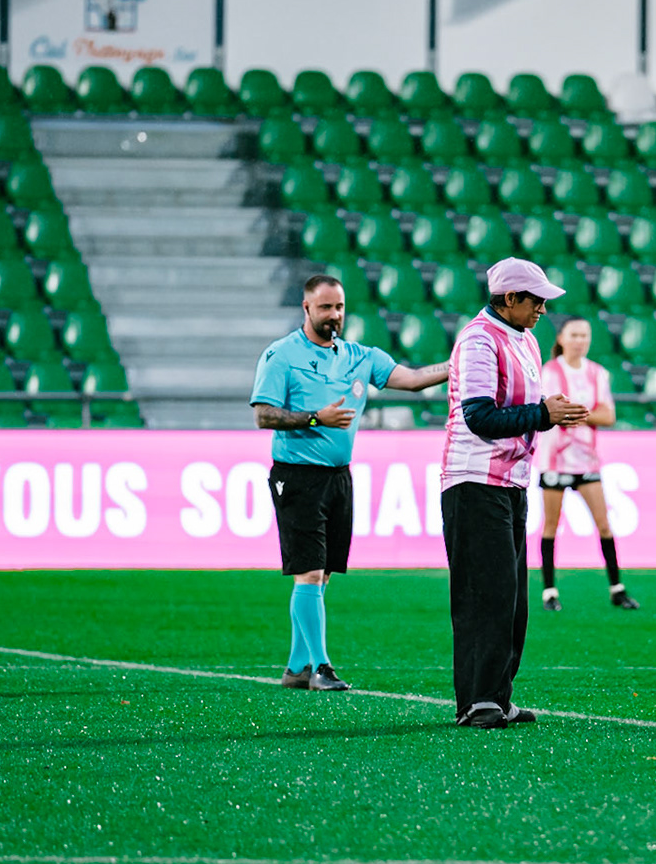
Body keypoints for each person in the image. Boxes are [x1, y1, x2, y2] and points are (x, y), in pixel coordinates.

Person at [252, 273, 449, 690]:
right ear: (306, 308)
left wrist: (455, 366)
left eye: (339, 307)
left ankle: (295, 668)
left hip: (339, 478)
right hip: (296, 475)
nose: (334, 315)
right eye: (325, 307)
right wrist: (313, 418)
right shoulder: (282, 355)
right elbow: (264, 415)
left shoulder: (360, 356)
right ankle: (321, 668)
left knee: (321, 578)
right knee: (308, 573)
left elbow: (412, 380)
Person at [441, 257, 588, 728]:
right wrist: (544, 415)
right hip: (473, 480)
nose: (544, 308)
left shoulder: (525, 338)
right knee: (485, 594)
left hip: (510, 482)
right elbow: (479, 417)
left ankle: (499, 696)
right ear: (510, 299)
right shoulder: (479, 339)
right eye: (537, 299)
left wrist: (546, 411)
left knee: (513, 598)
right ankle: (478, 701)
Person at [534, 315, 636, 612]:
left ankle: (617, 589)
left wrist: (574, 413)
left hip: (586, 460)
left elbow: (609, 416)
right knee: (551, 525)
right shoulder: (549, 372)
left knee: (604, 524)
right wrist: (586, 412)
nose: (580, 341)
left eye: (585, 336)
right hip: (555, 459)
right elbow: (546, 410)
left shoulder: (598, 373)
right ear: (562, 338)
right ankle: (549, 591)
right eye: (575, 335)